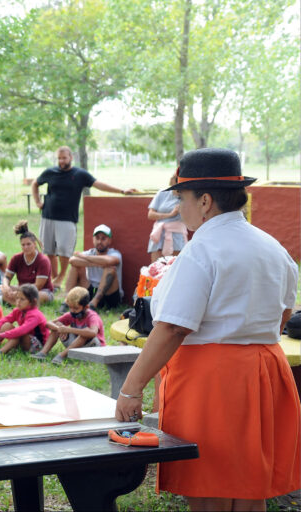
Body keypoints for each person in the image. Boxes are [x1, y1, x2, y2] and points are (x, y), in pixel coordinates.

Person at [115, 148, 300, 511]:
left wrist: (131, 387)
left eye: (181, 198)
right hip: (265, 369)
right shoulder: (275, 248)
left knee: (208, 488)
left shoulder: (203, 250)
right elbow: (283, 315)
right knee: (250, 487)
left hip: (213, 380)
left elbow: (171, 328)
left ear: (204, 201)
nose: (178, 208)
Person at [32, 146, 136, 289]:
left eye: (64, 158)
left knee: (63, 249)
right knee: (49, 250)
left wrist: (122, 191)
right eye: (59, 158)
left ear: (71, 158)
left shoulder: (80, 174)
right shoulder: (50, 172)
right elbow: (35, 184)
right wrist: (37, 201)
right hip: (48, 217)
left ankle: (61, 276)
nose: (61, 161)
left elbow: (99, 184)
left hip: (67, 219)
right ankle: (54, 279)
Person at [0, 284, 51, 359]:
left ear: (33, 302)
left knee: (18, 333)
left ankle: (1, 352)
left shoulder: (35, 315)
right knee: (6, 325)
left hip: (38, 345)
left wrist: (1, 335)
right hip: (26, 340)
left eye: (22, 299)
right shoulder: (18, 311)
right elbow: (2, 321)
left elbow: (22, 330)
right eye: (17, 298)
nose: (18, 301)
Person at [32, 286, 104, 364]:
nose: (72, 311)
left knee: (85, 333)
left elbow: (93, 333)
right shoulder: (70, 314)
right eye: (70, 308)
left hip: (94, 349)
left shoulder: (92, 316)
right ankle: (43, 353)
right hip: (76, 346)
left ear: (86, 307)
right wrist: (59, 328)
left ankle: (62, 356)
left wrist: (68, 330)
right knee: (58, 325)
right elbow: (48, 323)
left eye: (76, 308)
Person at [60, 224, 123, 311]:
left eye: (103, 238)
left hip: (109, 294)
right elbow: (72, 260)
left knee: (110, 268)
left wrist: (85, 258)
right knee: (75, 267)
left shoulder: (115, 253)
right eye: (97, 238)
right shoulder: (90, 252)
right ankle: (67, 300)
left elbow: (109, 261)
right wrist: (97, 264)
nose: (100, 241)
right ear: (93, 239)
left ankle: (94, 304)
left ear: (109, 241)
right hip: (90, 290)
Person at [0, 221, 54, 305]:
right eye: (23, 245)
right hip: (21, 289)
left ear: (34, 244)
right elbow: (6, 277)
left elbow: (38, 286)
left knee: (39, 296)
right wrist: (6, 287)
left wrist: (19, 293)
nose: (26, 247)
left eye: (28, 244)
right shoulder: (16, 258)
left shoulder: (43, 260)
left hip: (40, 291)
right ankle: (21, 303)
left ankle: (14, 302)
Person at [148, 174, 188, 261]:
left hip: (177, 234)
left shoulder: (186, 196)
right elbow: (150, 215)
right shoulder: (162, 193)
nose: (171, 178)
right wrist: (170, 214)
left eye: (174, 177)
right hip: (159, 233)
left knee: (174, 265)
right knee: (155, 266)